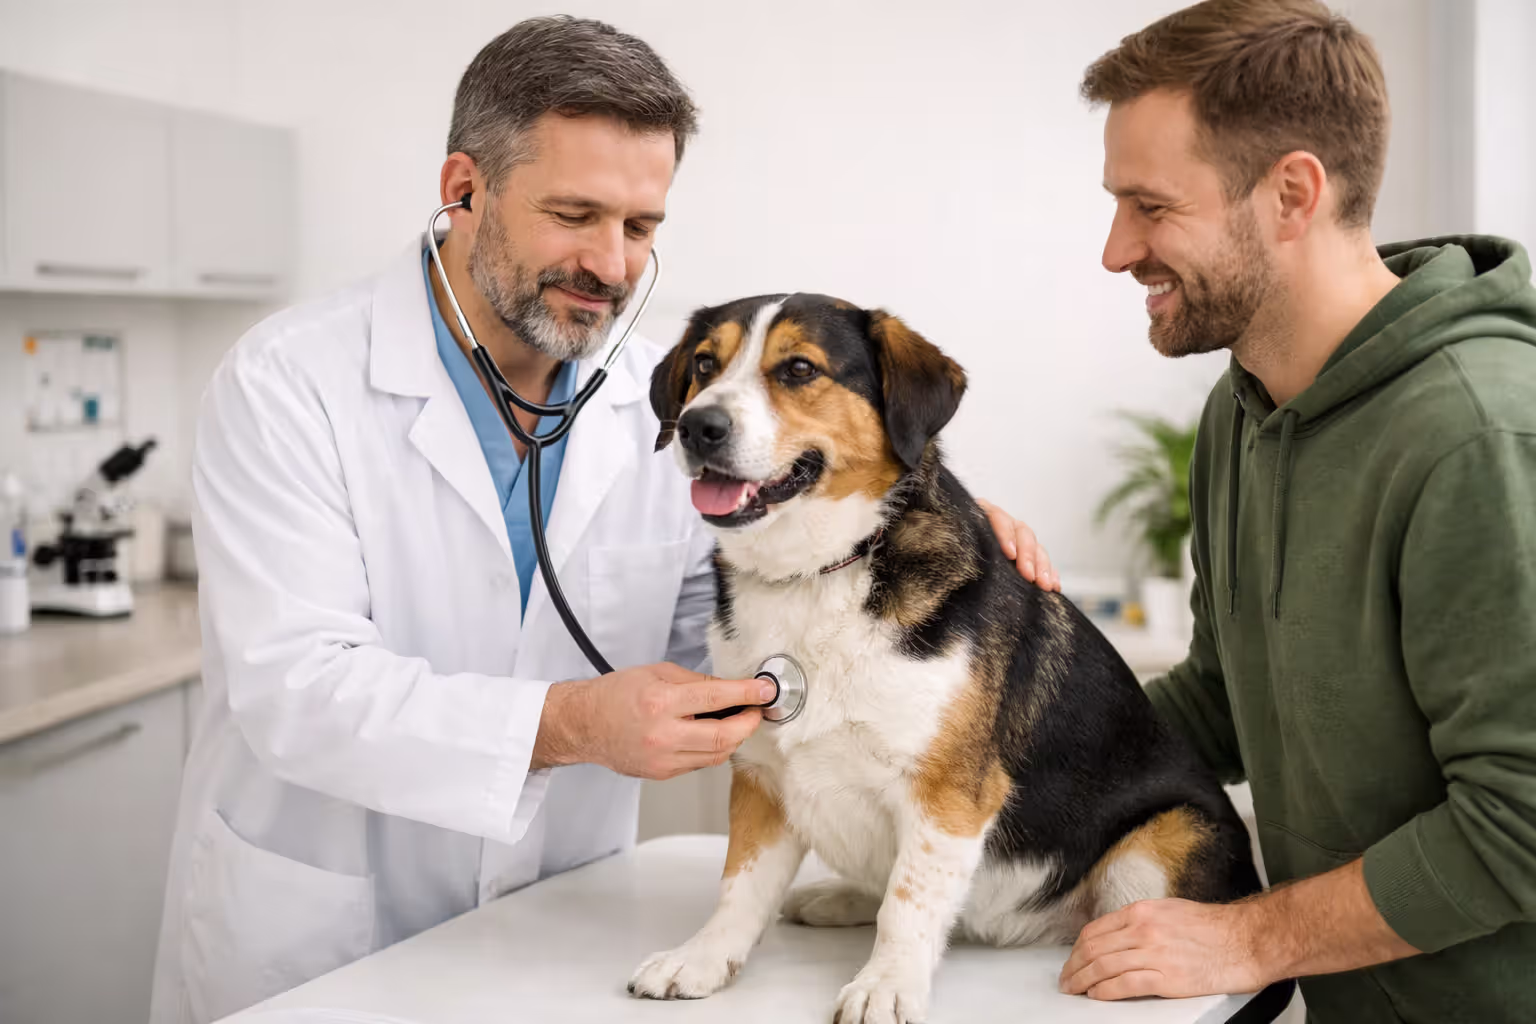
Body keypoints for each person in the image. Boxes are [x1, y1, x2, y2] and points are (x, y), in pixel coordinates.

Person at [148, 17, 1051, 1023]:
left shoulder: (669, 397)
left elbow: (718, 650)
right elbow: (295, 690)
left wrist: (899, 540)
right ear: (463, 189)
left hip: (557, 918)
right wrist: (567, 724)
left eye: (641, 226)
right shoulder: (289, 383)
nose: (613, 265)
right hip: (324, 937)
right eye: (575, 214)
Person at [1055, 1, 1536, 1019]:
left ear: (1292, 193)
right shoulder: (1249, 410)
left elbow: (1524, 819)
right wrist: (1003, 694)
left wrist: (1250, 936)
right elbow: (1226, 702)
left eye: (1150, 206)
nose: (1114, 250)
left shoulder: (1478, 436)